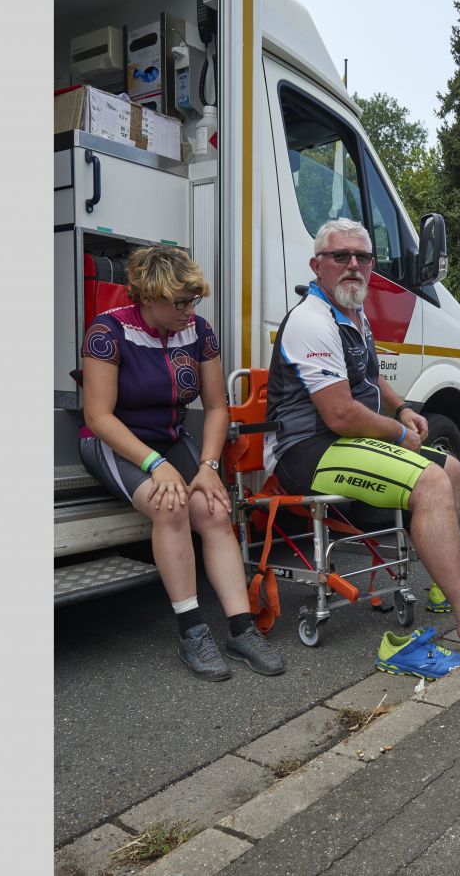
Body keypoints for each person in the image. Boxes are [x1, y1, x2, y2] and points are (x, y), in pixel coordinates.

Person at [263, 217, 460, 653]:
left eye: (363, 257)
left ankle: (442, 588)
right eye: (341, 256)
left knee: (451, 468)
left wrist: (404, 408)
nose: (354, 264)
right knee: (429, 482)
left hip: (344, 443)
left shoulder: (352, 312)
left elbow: (371, 378)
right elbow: (339, 414)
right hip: (307, 451)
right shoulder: (311, 320)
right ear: (317, 265)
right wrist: (398, 433)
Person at [79, 245, 285, 680]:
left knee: (213, 508)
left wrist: (209, 467)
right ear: (148, 298)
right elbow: (98, 417)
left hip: (170, 438)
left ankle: (241, 628)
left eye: (194, 301)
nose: (190, 311)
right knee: (169, 504)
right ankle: (192, 631)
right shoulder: (107, 331)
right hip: (116, 441)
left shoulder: (199, 331)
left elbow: (215, 408)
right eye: (180, 303)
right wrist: (156, 465)